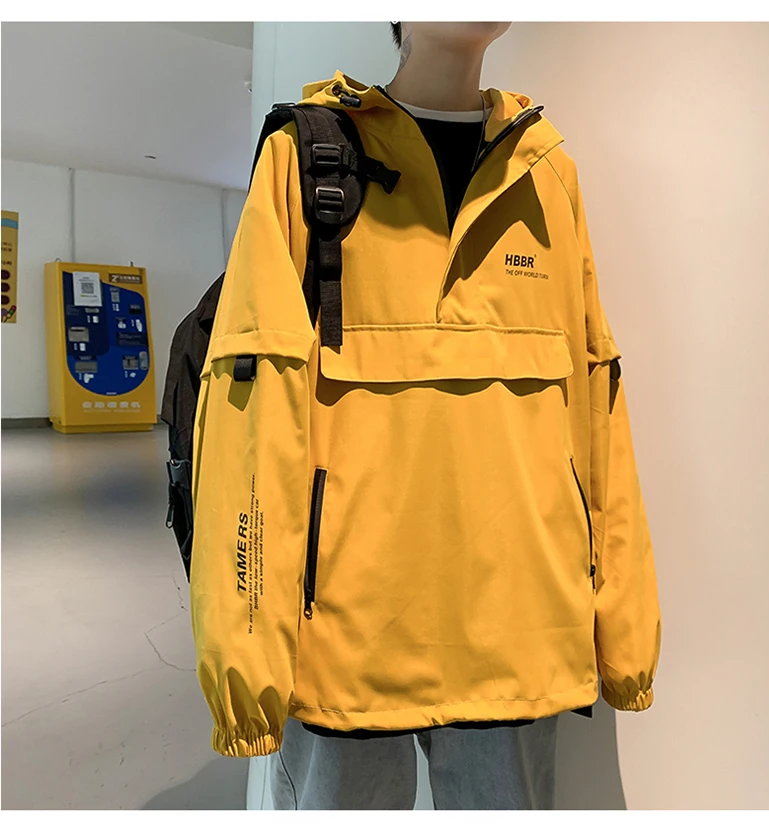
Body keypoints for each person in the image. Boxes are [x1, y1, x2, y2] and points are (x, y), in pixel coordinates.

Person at [189, 21, 662, 811]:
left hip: (521, 634)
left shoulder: (547, 173)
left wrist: (625, 631)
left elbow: (596, 402)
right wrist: (247, 658)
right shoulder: (304, 156)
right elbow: (252, 409)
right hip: (341, 642)